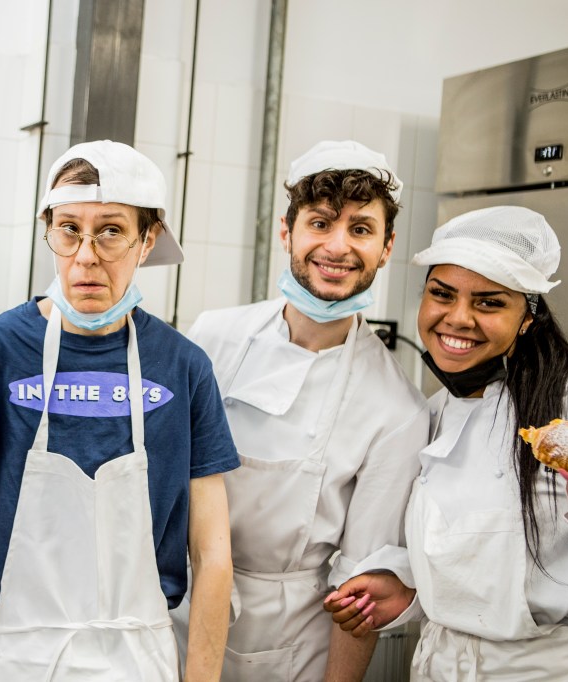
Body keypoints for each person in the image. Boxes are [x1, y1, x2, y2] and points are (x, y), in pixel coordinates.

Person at [0, 140, 239, 681]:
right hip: (16, 656)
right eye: (68, 230)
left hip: (140, 657)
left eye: (110, 231)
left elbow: (212, 551)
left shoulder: (183, 367)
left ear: (147, 239)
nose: (86, 255)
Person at [174, 140, 430, 681]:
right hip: (178, 612)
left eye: (361, 229)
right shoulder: (213, 336)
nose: (338, 247)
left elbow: (359, 587)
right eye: (320, 223)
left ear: (386, 248)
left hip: (291, 647)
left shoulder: (398, 409)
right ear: (286, 231)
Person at [326, 206, 568, 681]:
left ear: (528, 318)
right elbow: (481, 562)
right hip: (440, 666)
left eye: (489, 303)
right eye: (442, 294)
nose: (457, 318)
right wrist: (411, 592)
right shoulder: (431, 414)